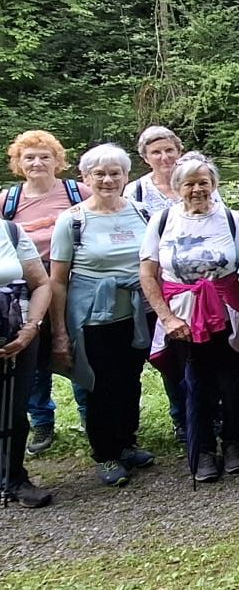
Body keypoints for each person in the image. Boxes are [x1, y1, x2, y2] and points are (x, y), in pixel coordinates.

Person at [139, 153, 239, 483]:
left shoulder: (231, 219)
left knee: (231, 381)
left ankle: (232, 443)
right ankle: (203, 449)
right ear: (177, 187)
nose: (197, 189)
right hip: (182, 314)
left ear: (214, 185)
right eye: (189, 183)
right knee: (194, 383)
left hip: (226, 311)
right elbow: (148, 274)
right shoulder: (162, 221)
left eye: (204, 182)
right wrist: (165, 317)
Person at [49, 144, 154, 488]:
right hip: (93, 317)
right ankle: (105, 453)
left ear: (127, 176)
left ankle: (127, 443)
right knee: (99, 385)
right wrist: (59, 331)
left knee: (130, 380)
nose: (108, 180)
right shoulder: (73, 220)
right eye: (100, 174)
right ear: (85, 178)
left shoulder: (141, 212)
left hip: (136, 313)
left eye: (115, 173)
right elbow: (58, 281)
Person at [2, 130, 90, 456]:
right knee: (33, 355)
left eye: (44, 156)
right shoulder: (7, 201)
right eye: (30, 157)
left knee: (78, 350)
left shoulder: (76, 192)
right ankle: (41, 420)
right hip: (27, 288)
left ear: (58, 160)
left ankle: (88, 416)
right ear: (18, 163)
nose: (37, 162)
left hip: (73, 282)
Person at [124, 126, 202, 445]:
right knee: (171, 353)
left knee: (202, 353)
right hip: (158, 288)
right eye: (156, 152)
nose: (164, 157)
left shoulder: (196, 182)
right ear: (145, 157)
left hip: (199, 289)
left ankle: (208, 411)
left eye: (169, 150)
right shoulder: (135, 193)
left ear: (179, 150)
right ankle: (180, 416)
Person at [1, 218, 54, 506]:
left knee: (13, 410)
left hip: (17, 334)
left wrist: (31, 327)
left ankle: (13, 479)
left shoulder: (9, 231)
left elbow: (42, 284)